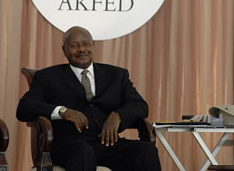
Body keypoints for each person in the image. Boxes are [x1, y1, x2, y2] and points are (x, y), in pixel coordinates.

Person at [17, 26, 161, 171]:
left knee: (146, 151)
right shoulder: (48, 77)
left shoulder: (116, 75)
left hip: (109, 144)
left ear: (93, 46)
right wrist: (62, 111)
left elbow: (140, 106)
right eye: (74, 45)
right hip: (70, 147)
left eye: (86, 44)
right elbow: (24, 108)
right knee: (84, 152)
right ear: (64, 49)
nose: (81, 49)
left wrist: (118, 116)